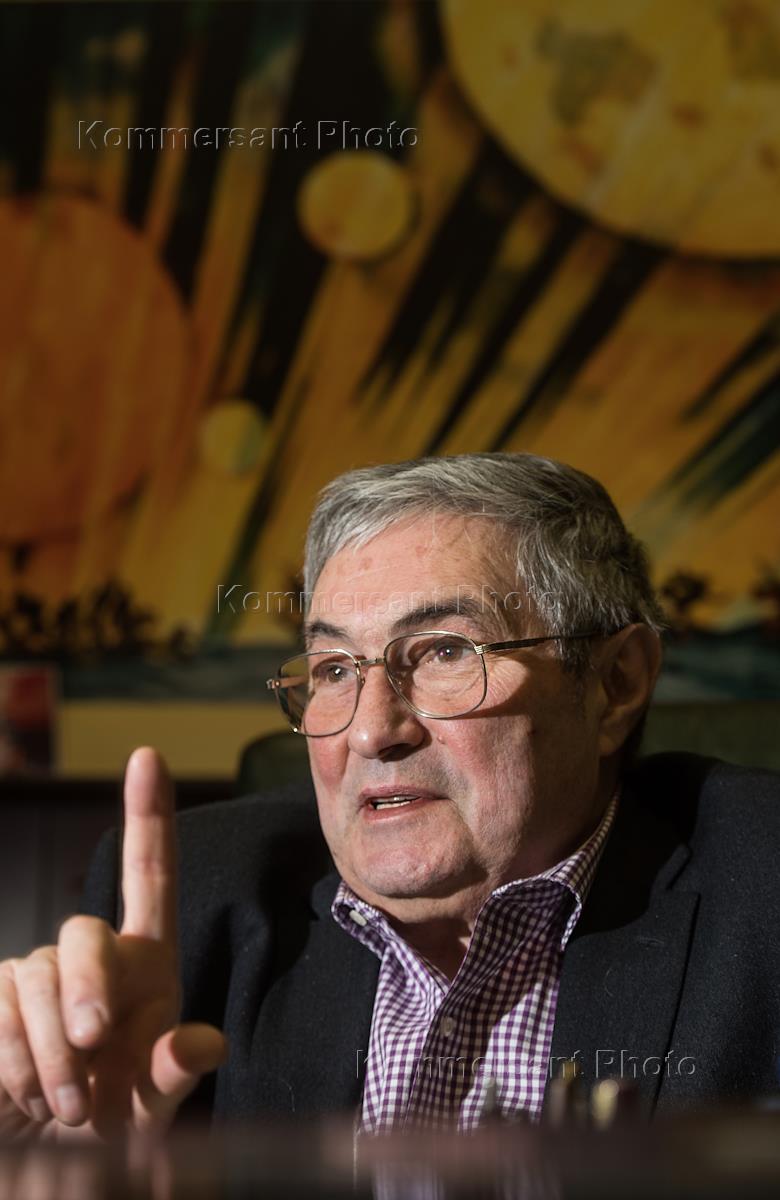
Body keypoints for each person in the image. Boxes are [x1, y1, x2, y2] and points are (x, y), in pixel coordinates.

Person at [0, 452, 777, 1142]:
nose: (372, 731)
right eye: (334, 669)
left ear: (615, 683)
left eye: (444, 652)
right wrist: (57, 1166)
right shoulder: (196, 908)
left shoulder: (763, 888)